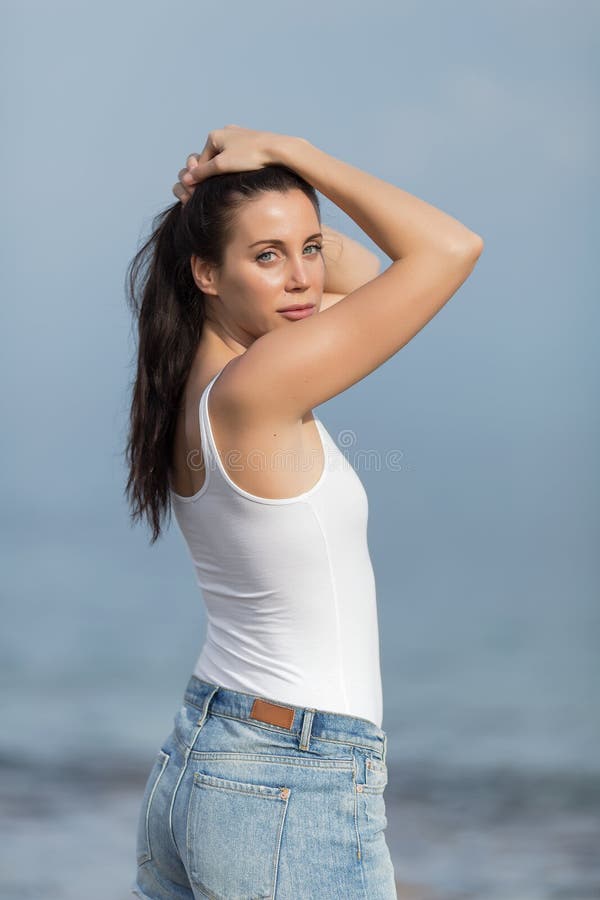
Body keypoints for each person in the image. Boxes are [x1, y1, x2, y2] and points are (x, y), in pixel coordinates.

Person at [125, 125, 484, 900]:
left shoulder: (190, 382)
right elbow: (447, 250)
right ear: (205, 274)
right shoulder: (261, 385)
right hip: (289, 777)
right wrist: (295, 153)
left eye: (310, 249)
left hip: (206, 758)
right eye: (266, 256)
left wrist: (270, 209)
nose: (301, 280)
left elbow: (346, 277)